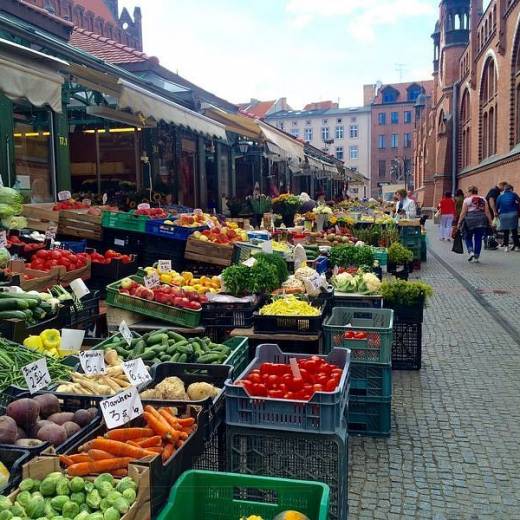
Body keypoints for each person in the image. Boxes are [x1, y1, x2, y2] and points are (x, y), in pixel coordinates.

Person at [458, 186, 493, 263]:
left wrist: (459, 222)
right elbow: (487, 212)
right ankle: (476, 256)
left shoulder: (467, 200)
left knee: (467, 237)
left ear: (470, 191)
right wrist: (490, 222)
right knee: (478, 238)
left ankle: (471, 252)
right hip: (482, 220)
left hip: (470, 220)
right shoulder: (483, 199)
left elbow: (463, 213)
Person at [496, 184, 520, 252]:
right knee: (514, 230)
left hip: (503, 215)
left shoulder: (500, 196)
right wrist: (517, 206)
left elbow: (497, 206)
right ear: (511, 189)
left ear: (504, 189)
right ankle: (517, 246)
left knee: (505, 231)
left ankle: (506, 247)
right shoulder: (513, 194)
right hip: (513, 214)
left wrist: (496, 213)